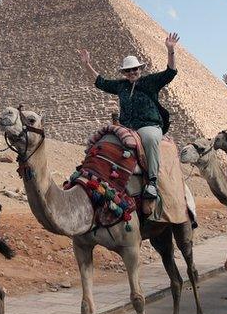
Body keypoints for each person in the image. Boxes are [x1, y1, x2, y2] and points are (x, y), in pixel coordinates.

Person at [77, 32, 180, 199]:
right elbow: (100, 82)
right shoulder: (121, 86)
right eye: (129, 70)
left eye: (135, 69)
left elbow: (170, 72)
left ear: (140, 69)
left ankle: (152, 182)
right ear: (124, 73)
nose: (133, 72)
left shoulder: (150, 82)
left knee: (150, 139)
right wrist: (87, 64)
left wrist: (170, 50)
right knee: (105, 141)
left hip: (148, 125)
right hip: (127, 127)